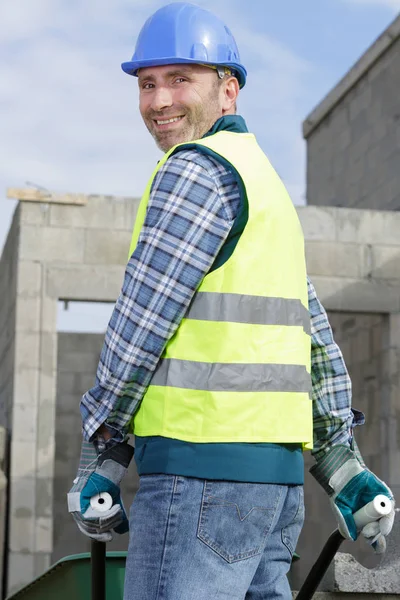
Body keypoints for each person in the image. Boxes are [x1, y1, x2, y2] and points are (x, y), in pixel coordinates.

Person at [67, 4, 395, 599]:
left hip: (198, 482)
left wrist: (104, 453)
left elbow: (141, 324)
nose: (158, 101)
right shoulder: (262, 184)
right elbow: (313, 339)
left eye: (179, 80)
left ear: (228, 89)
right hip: (272, 493)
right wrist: (341, 466)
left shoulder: (193, 171)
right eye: (147, 84)